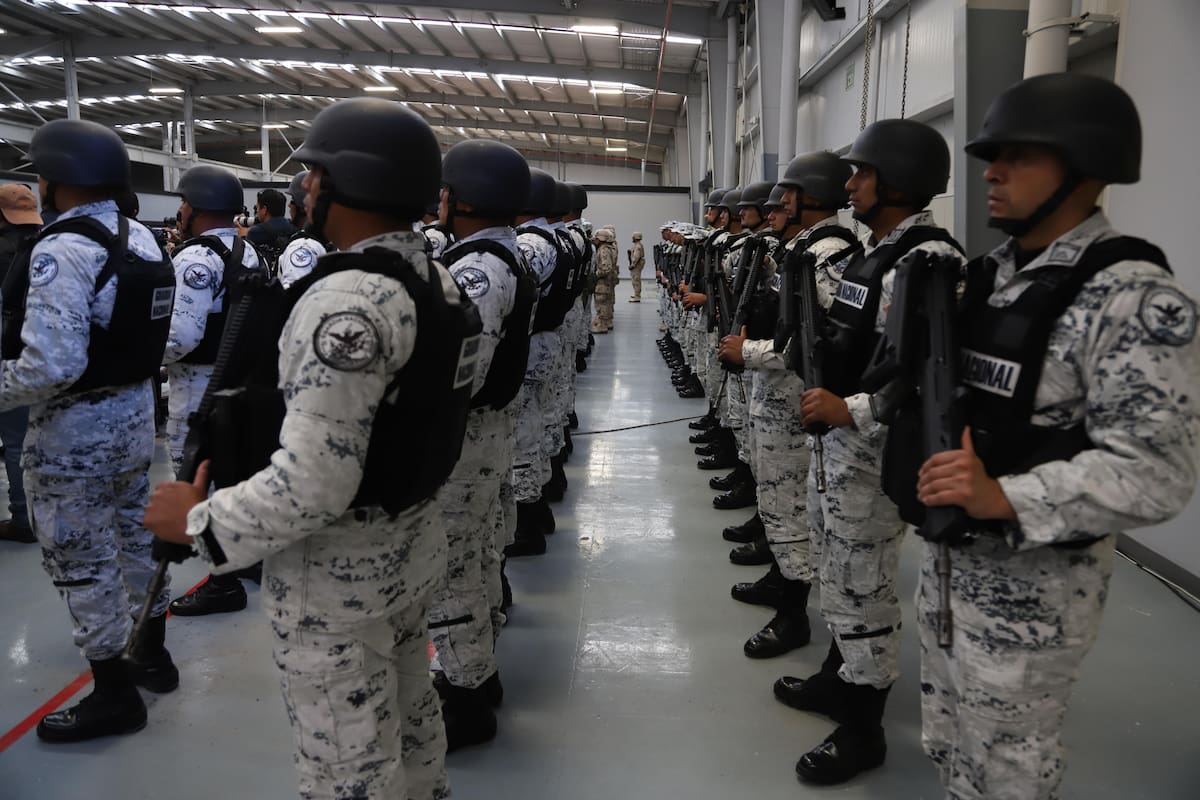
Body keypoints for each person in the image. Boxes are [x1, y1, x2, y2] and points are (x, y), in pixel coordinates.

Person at [145, 97, 466, 800]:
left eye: (312, 173)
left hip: (340, 584)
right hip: (408, 553)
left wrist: (195, 524)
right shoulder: (433, 280)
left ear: (341, 184)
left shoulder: (346, 301)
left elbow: (315, 484)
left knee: (348, 770)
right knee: (413, 739)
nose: (304, 188)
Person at [909, 73, 1199, 800]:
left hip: (1032, 597)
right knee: (949, 746)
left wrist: (1004, 494)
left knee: (1008, 769)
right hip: (947, 568)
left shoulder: (1133, 297)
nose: (993, 172)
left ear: (1087, 167)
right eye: (993, 155)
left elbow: (1156, 472)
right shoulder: (989, 280)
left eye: (1022, 156)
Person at [787, 118, 965, 784]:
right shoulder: (873, 252)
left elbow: (931, 377)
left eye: (860, 173)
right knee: (837, 574)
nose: (849, 183)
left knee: (865, 586)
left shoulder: (931, 261)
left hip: (871, 450)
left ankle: (864, 726)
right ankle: (840, 677)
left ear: (896, 180)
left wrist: (850, 408)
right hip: (837, 452)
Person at [1, 119, 177, 742]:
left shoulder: (63, 247)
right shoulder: (143, 238)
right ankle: (151, 652)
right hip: (132, 416)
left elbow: (52, 364)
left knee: (81, 557)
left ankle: (113, 692)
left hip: (73, 432)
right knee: (133, 535)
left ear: (56, 180)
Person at [429, 138, 532, 751]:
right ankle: (479, 671)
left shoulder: (478, 267)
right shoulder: (498, 253)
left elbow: (460, 371)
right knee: (479, 550)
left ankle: (466, 697)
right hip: (485, 430)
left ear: (462, 198)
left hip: (464, 436)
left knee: (454, 565)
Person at [161, 164, 264, 617]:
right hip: (241, 385)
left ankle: (221, 582)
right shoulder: (248, 251)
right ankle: (246, 560)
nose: (180, 211)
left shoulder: (194, 259)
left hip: (198, 387)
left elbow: (181, 337)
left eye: (184, 203)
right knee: (235, 478)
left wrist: (139, 353)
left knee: (199, 484)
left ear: (197, 208)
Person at [506, 168, 565, 557]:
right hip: (546, 340)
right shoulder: (552, 237)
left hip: (531, 345)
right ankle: (538, 506)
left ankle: (528, 522)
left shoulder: (529, 244)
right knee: (536, 424)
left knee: (524, 434)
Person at [0, 183, 42, 543]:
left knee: (14, 441)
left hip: (5, 352)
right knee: (25, 440)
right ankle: (31, 516)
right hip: (36, 354)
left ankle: (22, 519)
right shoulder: (46, 245)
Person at [278, 170, 331, 290]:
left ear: (302, 207)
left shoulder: (302, 246)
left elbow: (293, 295)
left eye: (292, 201)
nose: (289, 206)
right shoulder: (324, 240)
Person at [245, 187, 296, 267]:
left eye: (257, 207)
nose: (257, 211)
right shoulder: (292, 227)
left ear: (264, 209)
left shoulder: (256, 232)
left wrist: (244, 236)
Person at [591, 227, 617, 333]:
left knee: (601, 303)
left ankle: (602, 325)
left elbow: (606, 268)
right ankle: (607, 322)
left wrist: (595, 275)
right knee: (607, 302)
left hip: (602, 282)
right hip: (607, 281)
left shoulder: (603, 250)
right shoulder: (610, 248)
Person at [628, 231, 645, 302]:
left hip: (637, 264)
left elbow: (636, 256)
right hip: (637, 263)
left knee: (636, 279)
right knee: (635, 279)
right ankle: (636, 293)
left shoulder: (637, 246)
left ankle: (637, 296)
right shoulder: (637, 245)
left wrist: (633, 265)